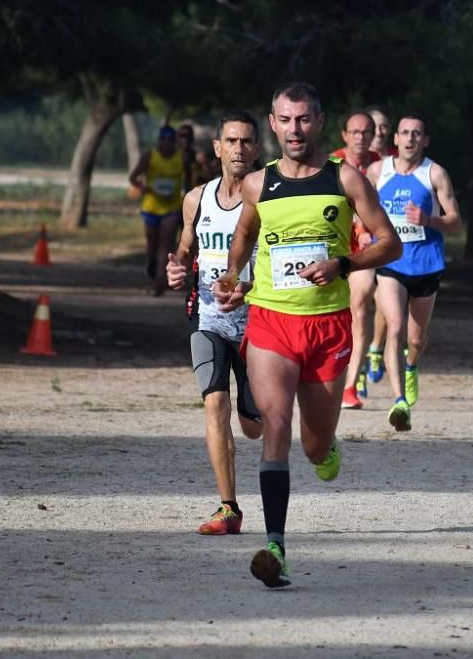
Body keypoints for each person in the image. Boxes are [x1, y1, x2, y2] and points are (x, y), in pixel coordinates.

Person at [214, 82, 401, 588]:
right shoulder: (258, 183)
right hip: (272, 320)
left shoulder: (346, 179)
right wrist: (234, 277)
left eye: (303, 120)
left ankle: (327, 449)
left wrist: (343, 262)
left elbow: (390, 244)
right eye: (284, 120)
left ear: (319, 122)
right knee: (275, 424)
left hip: (327, 326)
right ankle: (275, 546)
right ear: (271, 125)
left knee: (315, 447)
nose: (294, 130)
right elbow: (246, 233)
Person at [166, 111, 264, 536]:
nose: (239, 149)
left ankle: (258, 407)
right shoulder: (197, 198)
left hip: (260, 321)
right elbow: (186, 249)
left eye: (246, 142)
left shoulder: (268, 197)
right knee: (214, 403)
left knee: (254, 426)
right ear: (217, 148)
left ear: (257, 149)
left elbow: (283, 264)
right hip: (209, 316)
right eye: (232, 141)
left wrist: (249, 286)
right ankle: (229, 508)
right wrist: (176, 269)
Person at [366, 114, 463, 432]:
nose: (409, 138)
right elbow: (360, 210)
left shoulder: (434, 173)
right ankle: (399, 401)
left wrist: (429, 220)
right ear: (395, 138)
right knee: (394, 325)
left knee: (416, 337)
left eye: (416, 134)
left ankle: (411, 365)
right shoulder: (379, 171)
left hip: (426, 264)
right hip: (390, 263)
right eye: (404, 133)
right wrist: (366, 233)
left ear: (425, 140)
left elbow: (456, 222)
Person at [330, 111, 381, 410]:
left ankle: (350, 386)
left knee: (360, 307)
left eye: (367, 131)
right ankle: (332, 374)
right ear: (345, 135)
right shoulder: (331, 164)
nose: (361, 136)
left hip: (364, 250)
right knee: (337, 313)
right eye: (356, 131)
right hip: (334, 247)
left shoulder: (381, 164)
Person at [363, 107, 398, 384]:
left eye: (385, 126)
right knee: (360, 300)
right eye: (374, 125)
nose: (379, 131)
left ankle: (375, 347)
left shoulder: (397, 162)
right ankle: (357, 355)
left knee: (384, 303)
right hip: (357, 242)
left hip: (387, 241)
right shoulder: (344, 158)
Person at [130, 126, 186, 296]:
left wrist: (190, 195)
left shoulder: (181, 157)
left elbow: (188, 178)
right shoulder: (150, 156)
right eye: (163, 139)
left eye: (170, 140)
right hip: (151, 207)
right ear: (159, 141)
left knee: (165, 246)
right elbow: (133, 177)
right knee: (152, 247)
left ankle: (159, 281)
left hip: (171, 207)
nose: (167, 143)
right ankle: (152, 263)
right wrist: (143, 188)